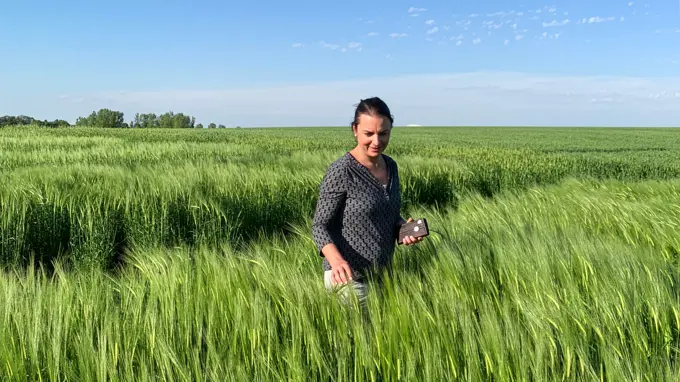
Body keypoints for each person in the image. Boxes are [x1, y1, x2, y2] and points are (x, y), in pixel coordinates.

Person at [311, 97, 423, 306]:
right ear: (355, 129)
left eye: (383, 133)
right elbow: (319, 226)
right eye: (368, 134)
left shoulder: (391, 166)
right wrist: (336, 262)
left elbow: (386, 212)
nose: (377, 141)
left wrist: (403, 228)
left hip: (383, 275)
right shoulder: (342, 171)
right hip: (348, 279)